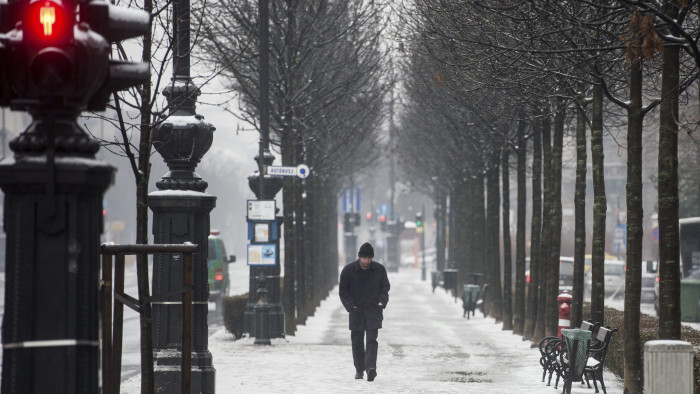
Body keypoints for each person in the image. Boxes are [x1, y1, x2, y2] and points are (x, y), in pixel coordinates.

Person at [339, 242, 390, 382]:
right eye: (364, 258)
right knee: (357, 342)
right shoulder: (348, 271)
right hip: (356, 311)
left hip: (373, 310)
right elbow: (343, 292)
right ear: (359, 257)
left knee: (372, 340)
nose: (366, 261)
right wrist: (351, 307)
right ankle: (359, 369)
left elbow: (385, 288)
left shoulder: (379, 270)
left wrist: (381, 302)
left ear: (372, 258)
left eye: (368, 258)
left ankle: (370, 368)